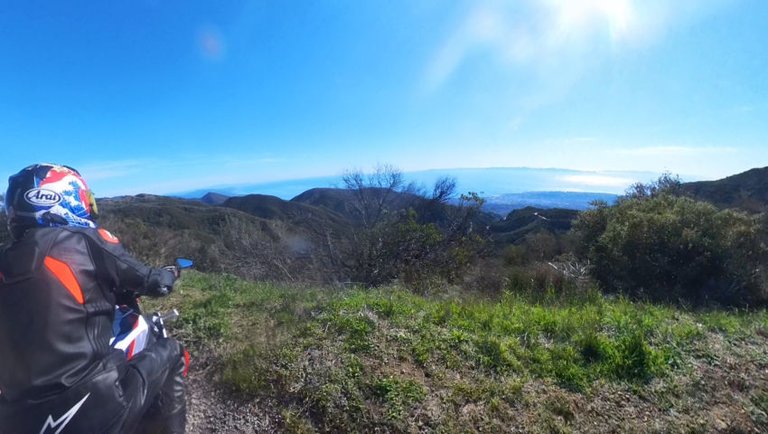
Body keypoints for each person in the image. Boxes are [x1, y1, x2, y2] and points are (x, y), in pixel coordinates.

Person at [0, 164, 186, 433]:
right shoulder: (88, 240)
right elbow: (151, 281)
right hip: (92, 403)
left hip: (16, 417)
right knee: (173, 351)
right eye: (86, 199)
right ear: (62, 197)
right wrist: (171, 274)